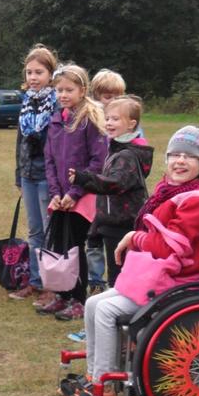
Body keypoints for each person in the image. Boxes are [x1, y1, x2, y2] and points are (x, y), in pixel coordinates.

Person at [62, 127, 199, 396]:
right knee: (92, 304)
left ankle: (106, 387)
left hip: (176, 283)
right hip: (159, 276)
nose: (179, 161)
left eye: (189, 156)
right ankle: (95, 376)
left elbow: (171, 247)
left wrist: (133, 237)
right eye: (174, 154)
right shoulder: (172, 192)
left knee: (105, 310)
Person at [39, 64, 107, 321]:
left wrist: (75, 192)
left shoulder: (90, 120)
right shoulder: (57, 120)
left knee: (75, 247)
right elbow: (50, 160)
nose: (63, 95)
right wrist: (56, 192)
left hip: (82, 196)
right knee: (59, 245)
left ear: (83, 90)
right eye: (59, 90)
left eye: (69, 90)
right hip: (60, 197)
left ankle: (78, 299)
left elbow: (97, 161)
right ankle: (62, 294)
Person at [70, 96, 152, 287]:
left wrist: (84, 179)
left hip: (122, 224)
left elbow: (115, 184)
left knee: (120, 275)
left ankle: (120, 311)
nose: (109, 123)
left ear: (131, 124)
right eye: (107, 118)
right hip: (112, 222)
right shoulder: (116, 149)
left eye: (115, 119)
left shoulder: (126, 155)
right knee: (118, 270)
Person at [10, 44, 57, 305]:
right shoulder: (26, 103)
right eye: (29, 72)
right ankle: (35, 281)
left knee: (50, 231)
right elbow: (20, 141)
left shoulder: (57, 104)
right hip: (28, 174)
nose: (33, 77)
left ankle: (52, 285)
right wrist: (19, 172)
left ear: (50, 73)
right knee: (35, 231)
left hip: (48, 176)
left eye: (39, 72)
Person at [85, 69, 128, 293]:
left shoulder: (128, 125)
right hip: (93, 189)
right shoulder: (91, 120)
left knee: (113, 239)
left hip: (116, 196)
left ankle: (116, 280)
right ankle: (95, 279)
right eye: (106, 96)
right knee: (93, 237)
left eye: (116, 96)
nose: (111, 101)